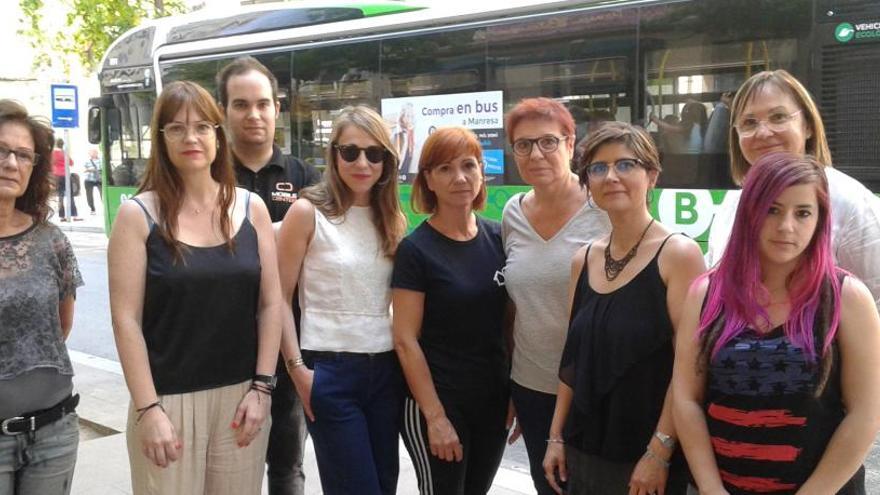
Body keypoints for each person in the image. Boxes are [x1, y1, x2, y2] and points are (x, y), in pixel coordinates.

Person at [108, 81, 283, 495]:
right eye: (177, 128)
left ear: (218, 136)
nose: (191, 138)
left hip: (242, 402)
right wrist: (148, 409)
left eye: (203, 126)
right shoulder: (137, 216)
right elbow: (125, 320)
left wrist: (262, 388)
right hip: (167, 402)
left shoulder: (250, 207)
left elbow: (272, 304)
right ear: (161, 138)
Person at [672, 153, 880, 494]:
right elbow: (687, 398)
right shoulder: (706, 294)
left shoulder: (847, 298)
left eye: (803, 213)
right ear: (749, 213)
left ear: (820, 219)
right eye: (772, 209)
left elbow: (866, 415)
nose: (787, 227)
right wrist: (712, 490)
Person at [543, 122, 705, 494]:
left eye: (625, 164)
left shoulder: (678, 254)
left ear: (652, 175)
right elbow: (573, 359)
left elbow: (690, 364)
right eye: (597, 168)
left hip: (647, 455)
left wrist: (659, 451)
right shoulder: (583, 259)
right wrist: (556, 436)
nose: (611, 176)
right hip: (584, 447)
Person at [276, 105, 407, 495]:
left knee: (384, 485)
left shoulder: (392, 219)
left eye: (374, 153)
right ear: (334, 155)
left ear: (387, 160)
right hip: (330, 369)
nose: (362, 162)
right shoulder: (306, 212)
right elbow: (278, 298)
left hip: (385, 370)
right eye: (350, 152)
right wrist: (297, 370)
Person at [217, 55, 320, 495]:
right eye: (241, 104)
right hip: (222, 353)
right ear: (223, 111)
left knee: (286, 468)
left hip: (287, 351)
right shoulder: (208, 177)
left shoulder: (307, 179)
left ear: (278, 108)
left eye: (262, 103)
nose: (253, 114)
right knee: (227, 469)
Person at [501, 97, 610, 495]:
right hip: (532, 387)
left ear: (570, 143)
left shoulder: (604, 208)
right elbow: (513, 306)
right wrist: (510, 385)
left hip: (592, 388)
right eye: (523, 145)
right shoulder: (512, 214)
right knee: (547, 487)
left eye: (548, 141)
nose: (535, 154)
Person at [393, 127, 509, 494]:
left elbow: (508, 324)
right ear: (427, 179)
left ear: (481, 172)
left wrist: (513, 396)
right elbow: (405, 341)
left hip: (491, 402)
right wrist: (436, 417)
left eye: (468, 165)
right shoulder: (416, 250)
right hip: (438, 402)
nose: (459, 178)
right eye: (444, 168)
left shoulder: (499, 238)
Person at [706, 69, 880, 308]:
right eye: (749, 123)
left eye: (778, 117)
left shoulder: (851, 202)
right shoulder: (731, 206)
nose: (764, 132)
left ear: (807, 125)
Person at [0, 100, 82, 495]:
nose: (11, 163)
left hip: (54, 432)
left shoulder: (52, 241)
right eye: (1, 151)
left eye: (23, 155)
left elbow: (61, 327)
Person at [51, 138, 79, 221]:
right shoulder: (64, 153)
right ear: (62, 144)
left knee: (60, 196)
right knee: (70, 195)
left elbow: (49, 164)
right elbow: (71, 163)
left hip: (56, 176)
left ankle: (61, 216)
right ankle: (74, 215)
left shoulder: (52, 153)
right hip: (66, 175)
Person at [83, 148, 102, 215]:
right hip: (89, 179)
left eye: (94, 152)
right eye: (91, 152)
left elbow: (103, 169)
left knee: (103, 194)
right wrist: (89, 169)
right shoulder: (86, 161)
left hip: (99, 179)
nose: (92, 154)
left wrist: (97, 170)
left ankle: (105, 207)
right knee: (89, 195)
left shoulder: (101, 160)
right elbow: (83, 170)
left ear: (97, 153)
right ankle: (92, 209)